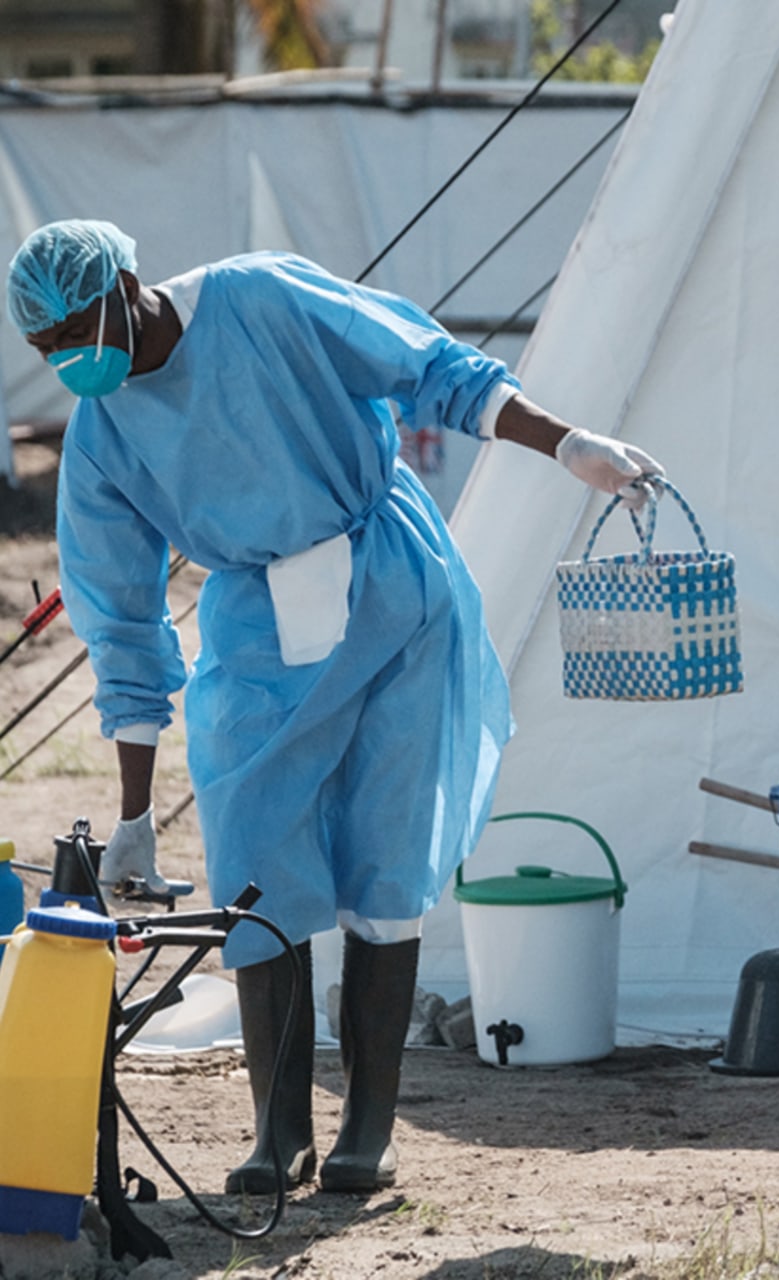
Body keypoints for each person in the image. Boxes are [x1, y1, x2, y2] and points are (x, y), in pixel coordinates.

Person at [6, 220, 664, 1194]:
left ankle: (367, 1126)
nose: (69, 358)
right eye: (46, 348)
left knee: (381, 860)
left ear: (127, 283)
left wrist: (563, 442)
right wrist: (136, 815)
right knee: (255, 873)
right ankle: (278, 1132)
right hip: (253, 630)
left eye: (75, 329)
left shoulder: (260, 299)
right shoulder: (104, 442)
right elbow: (124, 624)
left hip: (388, 592)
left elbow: (424, 365)